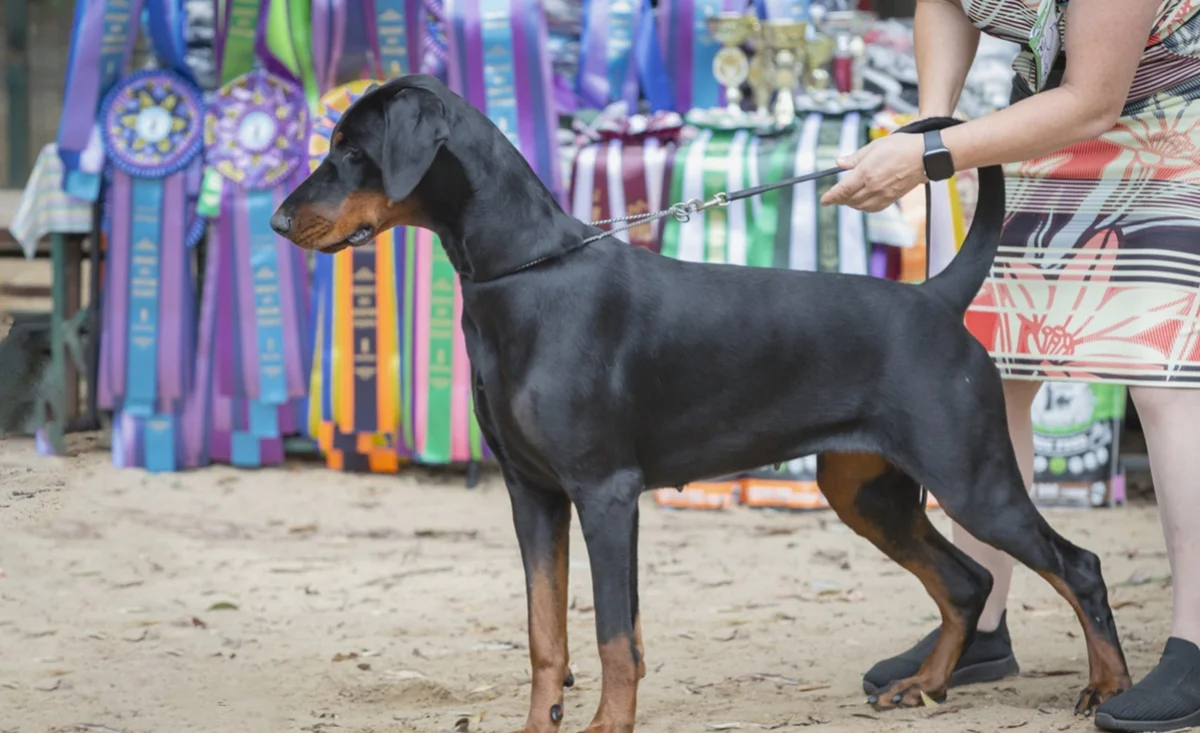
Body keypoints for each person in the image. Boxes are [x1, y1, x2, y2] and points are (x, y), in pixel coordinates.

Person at [820, 1, 1200, 731]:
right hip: (1050, 112)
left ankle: (1197, 639)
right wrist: (929, 124)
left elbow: (1095, 98)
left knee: (1165, 375)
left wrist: (933, 156)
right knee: (995, 367)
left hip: (1171, 112)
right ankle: (981, 619)